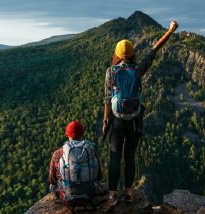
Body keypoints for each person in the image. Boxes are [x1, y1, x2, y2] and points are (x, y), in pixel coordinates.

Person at [102, 21, 179, 207]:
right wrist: (170, 31)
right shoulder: (137, 70)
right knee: (130, 157)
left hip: (116, 121)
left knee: (115, 157)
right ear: (131, 54)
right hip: (135, 121)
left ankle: (112, 195)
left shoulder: (111, 72)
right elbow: (154, 49)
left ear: (118, 54)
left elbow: (106, 99)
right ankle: (128, 193)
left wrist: (106, 121)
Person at [49, 121, 103, 206]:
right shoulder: (90, 151)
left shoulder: (58, 153)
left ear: (67, 134)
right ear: (82, 134)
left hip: (68, 194)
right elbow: (99, 176)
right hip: (89, 194)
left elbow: (52, 178)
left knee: (52, 186)